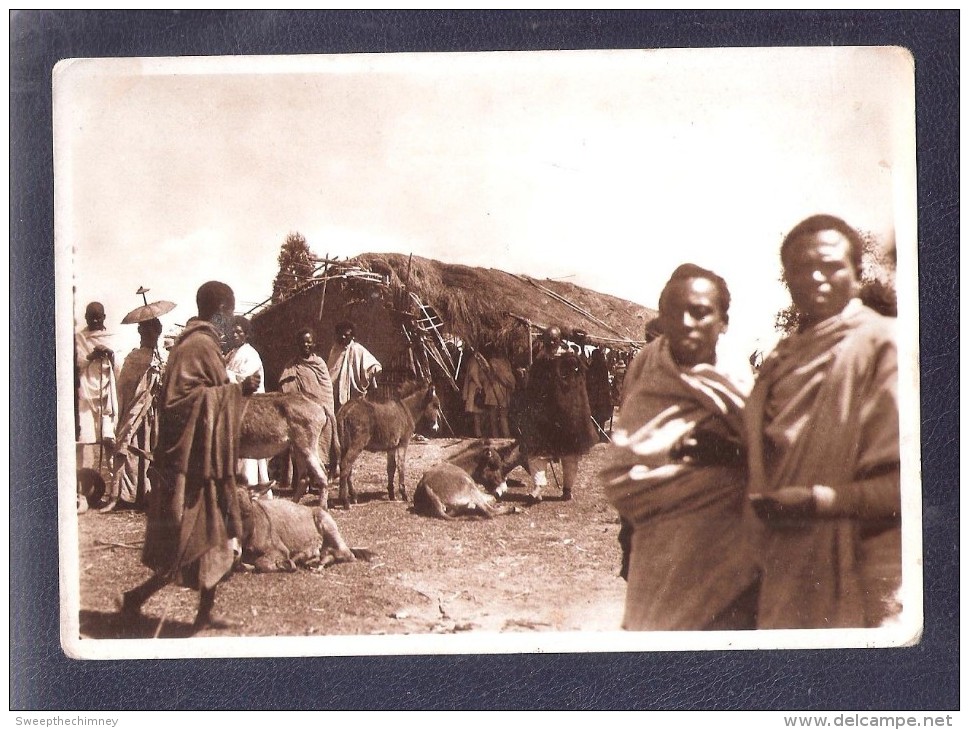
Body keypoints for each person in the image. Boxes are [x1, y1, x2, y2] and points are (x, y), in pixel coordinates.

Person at [746, 215, 901, 629]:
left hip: (863, 564)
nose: (815, 277)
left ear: (856, 273)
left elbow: (910, 484)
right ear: (787, 279)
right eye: (800, 268)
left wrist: (816, 500)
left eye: (831, 266)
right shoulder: (780, 360)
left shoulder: (884, 343)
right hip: (783, 558)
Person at [603, 264, 758, 631]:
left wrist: (723, 454)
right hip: (656, 538)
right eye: (674, 312)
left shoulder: (736, 375)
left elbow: (766, 454)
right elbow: (627, 455)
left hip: (722, 543)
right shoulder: (647, 363)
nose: (687, 322)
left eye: (701, 312)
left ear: (724, 321)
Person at [120, 281, 261, 634]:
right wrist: (238, 390)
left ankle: (200, 614)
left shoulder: (199, 344)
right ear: (220, 312)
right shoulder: (198, 346)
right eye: (229, 314)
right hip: (190, 462)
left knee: (212, 538)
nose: (231, 321)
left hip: (200, 457)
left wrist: (228, 391)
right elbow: (181, 404)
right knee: (190, 543)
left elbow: (202, 392)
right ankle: (137, 597)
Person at [521, 326, 597, 502]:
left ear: (559, 341)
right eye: (548, 342)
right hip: (545, 417)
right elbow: (533, 387)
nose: (551, 345)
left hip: (567, 417)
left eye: (554, 342)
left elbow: (577, 386)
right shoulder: (540, 361)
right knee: (537, 451)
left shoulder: (570, 360)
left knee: (570, 454)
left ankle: (568, 489)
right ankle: (538, 486)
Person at [108, 317, 164, 509]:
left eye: (153, 333)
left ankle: (145, 492)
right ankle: (128, 494)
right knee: (133, 446)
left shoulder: (160, 357)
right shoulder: (135, 357)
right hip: (136, 411)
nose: (150, 336)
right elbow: (124, 386)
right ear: (141, 333)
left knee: (149, 446)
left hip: (153, 412)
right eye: (147, 332)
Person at [278, 328, 340, 484]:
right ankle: (299, 481)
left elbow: (326, 390)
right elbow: (287, 392)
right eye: (303, 342)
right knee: (300, 446)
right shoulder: (291, 366)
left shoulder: (319, 364)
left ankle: (317, 481)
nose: (306, 345)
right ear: (298, 344)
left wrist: (325, 410)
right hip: (300, 413)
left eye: (309, 342)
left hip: (319, 412)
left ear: (314, 344)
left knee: (319, 445)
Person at [224, 316, 269, 487]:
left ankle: (252, 489)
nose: (235, 335)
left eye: (239, 332)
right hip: (237, 407)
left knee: (250, 452)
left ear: (246, 335)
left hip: (251, 407)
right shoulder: (231, 354)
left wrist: (224, 374)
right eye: (233, 331)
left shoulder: (250, 354)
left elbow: (244, 378)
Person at [75, 301, 119, 472]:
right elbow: (74, 367)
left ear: (104, 317)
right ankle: (83, 486)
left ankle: (116, 487)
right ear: (85, 318)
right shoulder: (79, 339)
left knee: (111, 441)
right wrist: (91, 356)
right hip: (85, 396)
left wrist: (110, 354)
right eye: (91, 318)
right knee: (84, 441)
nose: (94, 321)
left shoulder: (113, 337)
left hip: (108, 396)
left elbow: (121, 366)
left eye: (97, 317)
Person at [327, 320, 382, 414]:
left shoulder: (357, 349)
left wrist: (364, 377)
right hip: (334, 394)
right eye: (340, 334)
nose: (343, 337)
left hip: (353, 395)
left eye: (346, 335)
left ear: (352, 336)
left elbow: (375, 367)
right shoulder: (335, 350)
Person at [481, 342, 516, 439]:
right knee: (502, 416)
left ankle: (497, 435)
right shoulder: (506, 362)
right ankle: (505, 435)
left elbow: (492, 376)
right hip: (503, 390)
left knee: (495, 416)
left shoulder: (493, 362)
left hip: (496, 390)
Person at [460, 345, 489, 438]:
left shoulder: (480, 360)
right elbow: (473, 374)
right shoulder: (474, 360)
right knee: (476, 412)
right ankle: (478, 433)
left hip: (479, 387)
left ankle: (479, 432)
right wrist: (480, 386)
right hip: (476, 388)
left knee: (479, 412)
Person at [585, 347, 614, 440]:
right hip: (602, 395)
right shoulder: (603, 366)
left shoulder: (593, 366)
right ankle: (600, 434)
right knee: (601, 416)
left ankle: (596, 434)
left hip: (596, 396)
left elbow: (590, 380)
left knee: (595, 416)